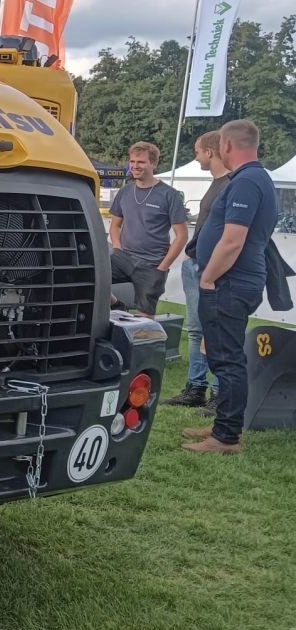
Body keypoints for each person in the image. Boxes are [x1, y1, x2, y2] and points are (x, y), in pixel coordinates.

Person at [183, 119, 278, 454]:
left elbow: (232, 240)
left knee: (227, 360)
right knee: (224, 357)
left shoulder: (247, 182)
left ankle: (226, 438)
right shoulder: (253, 178)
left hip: (229, 283)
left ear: (225, 146)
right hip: (235, 281)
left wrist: (208, 277)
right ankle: (223, 424)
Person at [164, 131, 229, 408]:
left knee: (214, 329)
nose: (196, 156)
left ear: (211, 152)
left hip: (210, 268)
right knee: (195, 329)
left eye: (198, 151)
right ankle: (196, 387)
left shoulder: (230, 185)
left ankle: (216, 391)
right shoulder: (217, 184)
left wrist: (210, 268)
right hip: (197, 264)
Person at [109, 141, 189, 314]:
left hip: (152, 264)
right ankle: (116, 306)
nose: (135, 166)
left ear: (153, 163)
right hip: (123, 258)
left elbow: (181, 235)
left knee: (143, 319)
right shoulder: (125, 192)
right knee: (90, 279)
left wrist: (163, 266)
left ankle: (143, 338)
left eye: (141, 162)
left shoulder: (169, 195)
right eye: (132, 162)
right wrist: (116, 246)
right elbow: (115, 225)